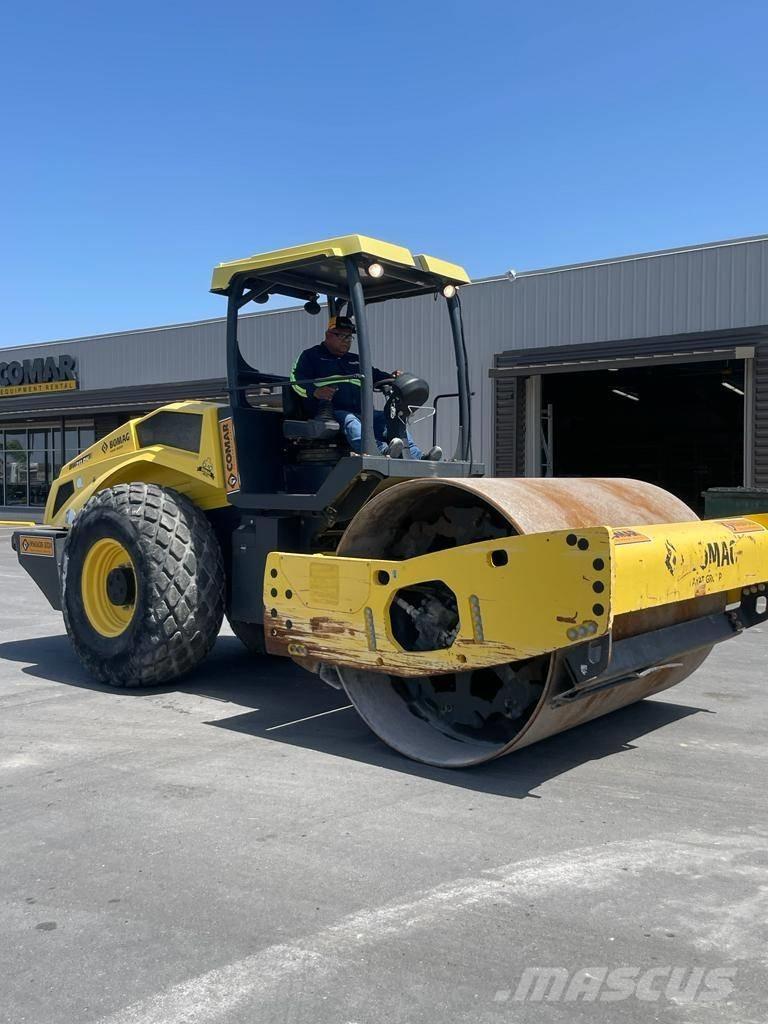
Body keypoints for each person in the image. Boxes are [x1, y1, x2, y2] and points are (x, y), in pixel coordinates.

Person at [291, 315, 440, 459]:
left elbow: (375, 374)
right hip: (329, 412)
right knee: (349, 420)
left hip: (363, 412)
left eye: (349, 337)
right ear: (328, 335)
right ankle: (379, 450)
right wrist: (315, 392)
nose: (346, 341)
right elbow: (295, 380)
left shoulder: (356, 360)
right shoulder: (311, 356)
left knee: (389, 417)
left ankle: (416, 456)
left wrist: (393, 377)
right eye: (341, 336)